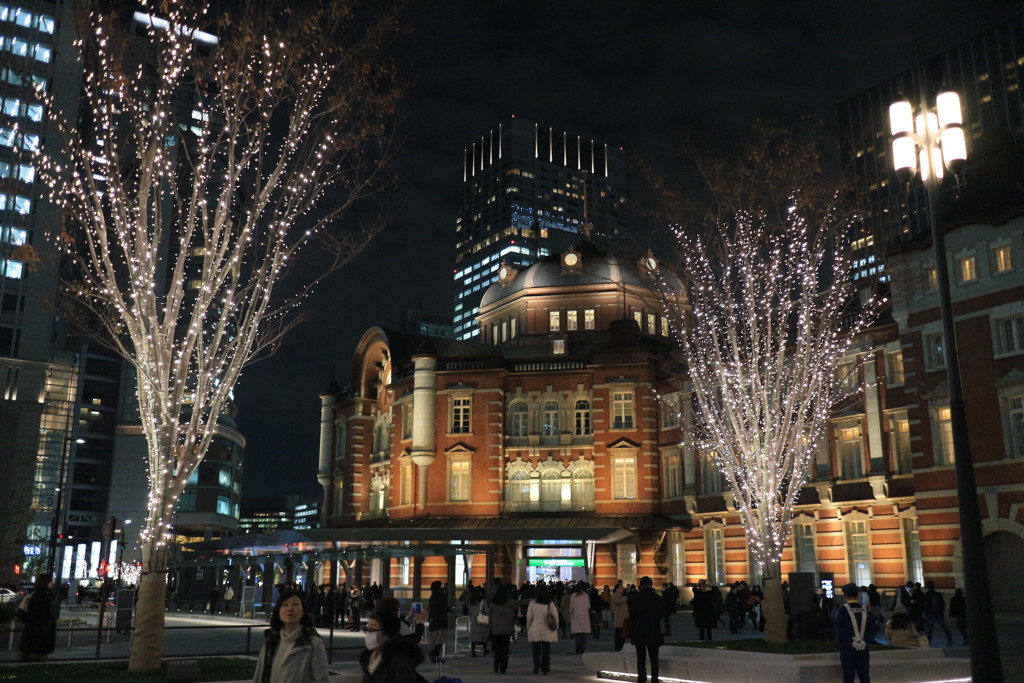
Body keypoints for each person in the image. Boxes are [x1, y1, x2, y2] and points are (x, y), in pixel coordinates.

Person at [252, 589, 329, 683]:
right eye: (285, 605)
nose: (290, 609)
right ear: (278, 611)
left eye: (295, 604)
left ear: (303, 611)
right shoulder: (270, 639)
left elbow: (321, 679)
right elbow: (260, 673)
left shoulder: (311, 642)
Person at [358, 610, 429, 683]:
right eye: (368, 629)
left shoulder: (398, 661)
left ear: (387, 634)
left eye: (373, 629)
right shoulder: (369, 658)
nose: (369, 633)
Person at [833, 582, 879, 683]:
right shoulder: (866, 611)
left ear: (845, 596)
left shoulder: (842, 611)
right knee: (864, 676)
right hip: (863, 648)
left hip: (847, 649)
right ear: (858, 596)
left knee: (848, 676)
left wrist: (851, 642)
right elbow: (873, 628)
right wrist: (865, 641)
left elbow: (841, 630)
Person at [629, 576, 665, 683]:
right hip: (654, 631)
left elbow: (632, 614)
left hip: (639, 631)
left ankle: (642, 678)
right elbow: (662, 614)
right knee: (654, 658)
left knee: (641, 658)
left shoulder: (636, 598)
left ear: (641, 585)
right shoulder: (658, 598)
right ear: (651, 584)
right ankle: (654, 678)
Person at [17, 573, 58, 662]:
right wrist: (47, 623)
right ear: (46, 582)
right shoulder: (42, 595)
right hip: (40, 628)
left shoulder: (37, 593)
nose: (52, 583)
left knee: (29, 652)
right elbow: (42, 612)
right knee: (40, 652)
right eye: (50, 581)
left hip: (33, 628)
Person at [526, 585, 559, 675]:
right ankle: (545, 668)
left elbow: (529, 617)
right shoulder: (550, 603)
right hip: (547, 629)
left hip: (535, 627)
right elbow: (555, 616)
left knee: (535, 649)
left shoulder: (533, 603)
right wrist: (556, 626)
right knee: (546, 650)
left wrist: (528, 627)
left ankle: (536, 666)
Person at [486, 584, 518, 674]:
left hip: (495, 629)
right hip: (507, 629)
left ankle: (496, 667)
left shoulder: (493, 602)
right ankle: (503, 668)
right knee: (505, 650)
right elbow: (518, 603)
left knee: (497, 650)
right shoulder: (509, 602)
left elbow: (489, 615)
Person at [923, 581, 954, 646]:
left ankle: (928, 642)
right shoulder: (938, 594)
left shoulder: (926, 595)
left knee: (929, 629)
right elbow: (943, 604)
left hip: (931, 614)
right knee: (944, 627)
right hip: (939, 614)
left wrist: (926, 614)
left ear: (927, 586)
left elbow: (926, 605)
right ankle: (950, 640)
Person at [426, 580, 448, 663]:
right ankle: (434, 654)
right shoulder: (440, 596)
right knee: (440, 640)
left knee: (437, 640)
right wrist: (450, 608)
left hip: (433, 620)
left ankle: (436, 656)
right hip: (440, 621)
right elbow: (443, 608)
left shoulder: (432, 597)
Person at [569, 581, 592, 655]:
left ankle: (578, 645)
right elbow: (589, 606)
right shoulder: (586, 595)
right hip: (585, 617)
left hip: (576, 616)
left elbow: (571, 608)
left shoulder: (573, 595)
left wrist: (571, 613)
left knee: (577, 634)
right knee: (584, 635)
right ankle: (583, 648)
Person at [467, 586, 490, 657]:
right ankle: (485, 650)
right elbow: (487, 611)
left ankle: (473, 651)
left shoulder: (471, 602)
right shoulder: (483, 601)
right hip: (481, 619)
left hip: (474, 620)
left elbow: (469, 611)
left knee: (473, 636)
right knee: (483, 636)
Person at [611, 583, 630, 651]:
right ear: (617, 589)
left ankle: (620, 646)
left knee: (623, 634)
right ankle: (617, 646)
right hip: (619, 619)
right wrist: (626, 597)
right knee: (618, 633)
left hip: (624, 618)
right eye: (621, 588)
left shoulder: (622, 596)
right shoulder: (615, 596)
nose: (622, 589)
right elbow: (619, 601)